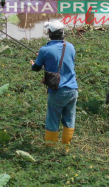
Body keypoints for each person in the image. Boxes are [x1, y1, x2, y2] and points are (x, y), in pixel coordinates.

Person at [30, 20, 78, 153]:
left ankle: (50, 151)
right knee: (69, 119)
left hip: (57, 91)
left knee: (52, 119)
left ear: (50, 33)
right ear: (62, 33)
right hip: (73, 90)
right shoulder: (70, 47)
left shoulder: (45, 50)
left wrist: (35, 62)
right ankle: (65, 149)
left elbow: (36, 68)